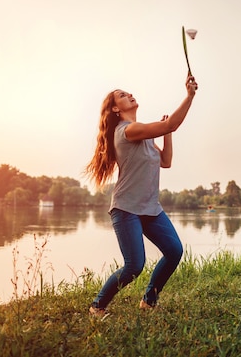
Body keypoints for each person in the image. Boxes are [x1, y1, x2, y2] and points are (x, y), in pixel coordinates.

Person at [85, 75, 199, 317]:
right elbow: (170, 125)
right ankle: (97, 306)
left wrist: (166, 132)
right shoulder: (126, 131)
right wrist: (189, 96)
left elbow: (166, 162)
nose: (129, 94)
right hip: (126, 208)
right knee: (134, 265)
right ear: (115, 108)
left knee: (174, 251)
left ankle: (149, 300)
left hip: (150, 208)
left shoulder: (143, 136)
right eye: (122, 95)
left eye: (128, 92)